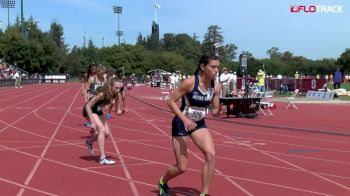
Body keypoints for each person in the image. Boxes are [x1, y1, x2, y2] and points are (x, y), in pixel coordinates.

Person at [158, 54, 221, 196]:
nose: (216, 70)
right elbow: (170, 101)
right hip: (181, 123)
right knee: (182, 167)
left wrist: (217, 110)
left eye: (218, 67)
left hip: (198, 124)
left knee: (211, 155)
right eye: (213, 67)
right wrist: (185, 120)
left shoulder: (216, 86)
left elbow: (215, 110)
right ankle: (163, 181)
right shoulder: (190, 82)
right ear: (203, 67)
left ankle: (204, 194)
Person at [83, 77, 123, 165]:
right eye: (116, 88)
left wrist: (123, 111)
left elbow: (117, 112)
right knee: (101, 130)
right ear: (110, 86)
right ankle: (102, 158)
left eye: (120, 88)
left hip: (98, 111)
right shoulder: (102, 94)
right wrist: (92, 122)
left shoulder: (116, 95)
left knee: (107, 134)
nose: (118, 90)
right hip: (89, 110)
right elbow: (88, 106)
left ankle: (89, 142)